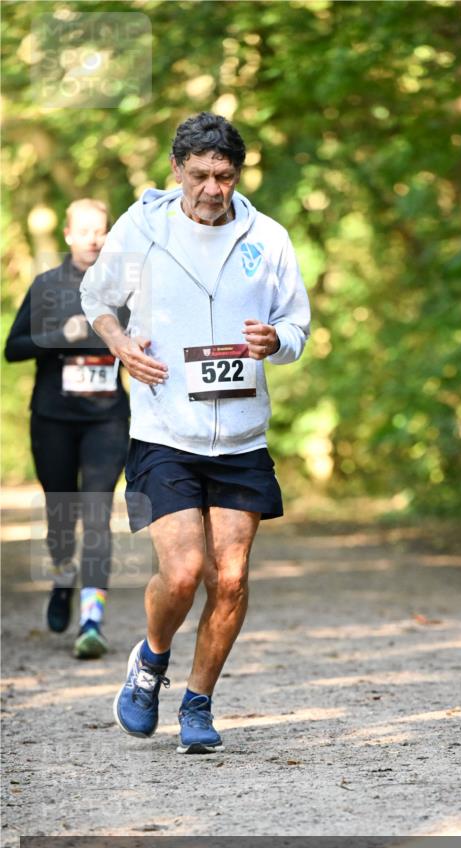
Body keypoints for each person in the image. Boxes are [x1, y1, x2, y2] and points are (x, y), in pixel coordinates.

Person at [80, 111, 311, 754]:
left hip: (240, 434)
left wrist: (277, 341)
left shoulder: (268, 238)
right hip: (163, 429)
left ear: (239, 172)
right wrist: (123, 346)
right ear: (177, 168)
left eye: (226, 174)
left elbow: (296, 326)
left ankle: (199, 701)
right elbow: (96, 299)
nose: (214, 187)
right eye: (201, 174)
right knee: (182, 574)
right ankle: (151, 662)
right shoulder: (143, 228)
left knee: (230, 579)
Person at [5, 199, 130, 659]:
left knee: (97, 513)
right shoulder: (47, 285)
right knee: (62, 515)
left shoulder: (124, 289)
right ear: (68, 235)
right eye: (85, 231)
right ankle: (62, 577)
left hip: (107, 419)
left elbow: (150, 342)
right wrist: (64, 335)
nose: (94, 239)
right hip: (54, 420)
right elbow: (12, 349)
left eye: (101, 230)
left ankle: (91, 620)